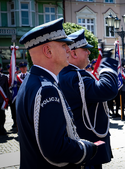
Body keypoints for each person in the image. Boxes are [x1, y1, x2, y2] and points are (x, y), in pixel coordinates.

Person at [16, 18, 98, 168]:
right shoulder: (46, 89)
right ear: (48, 51)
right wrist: (85, 149)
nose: (69, 49)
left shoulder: (32, 81)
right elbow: (56, 149)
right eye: (63, 45)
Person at [58, 29, 118, 169]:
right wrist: (107, 65)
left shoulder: (68, 74)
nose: (89, 52)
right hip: (85, 149)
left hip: (84, 146)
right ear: (73, 53)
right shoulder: (74, 77)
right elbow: (108, 89)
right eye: (85, 49)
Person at [0, 63, 10, 135]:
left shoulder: (4, 77)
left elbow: (6, 89)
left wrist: (7, 100)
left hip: (2, 101)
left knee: (2, 115)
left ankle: (2, 127)